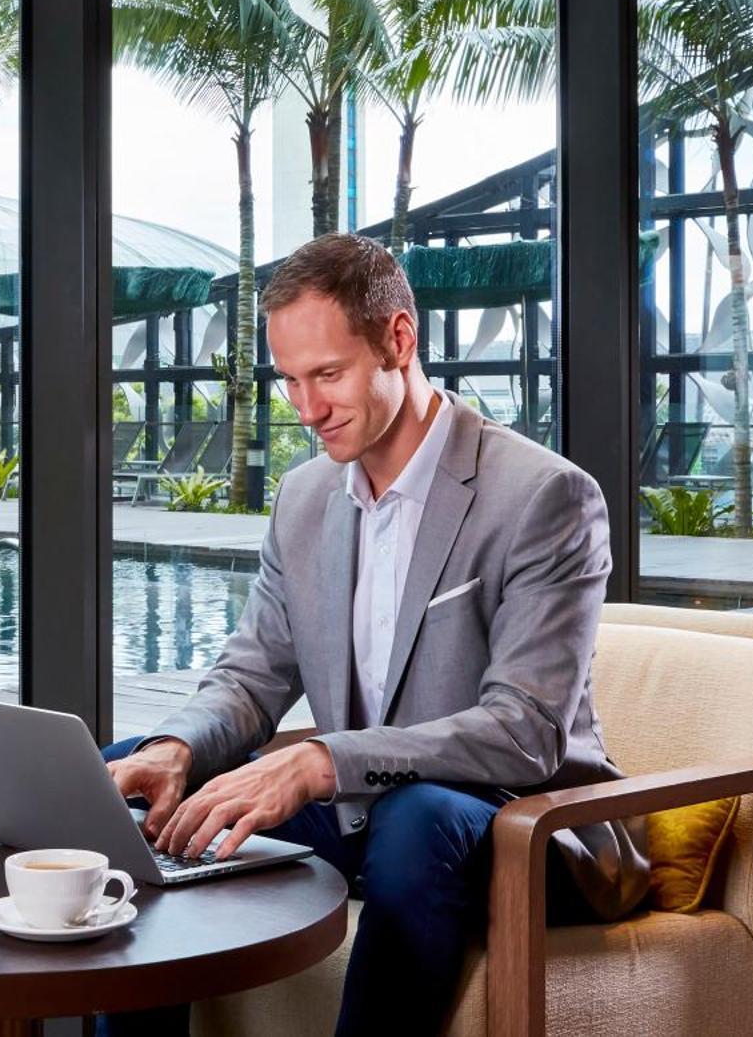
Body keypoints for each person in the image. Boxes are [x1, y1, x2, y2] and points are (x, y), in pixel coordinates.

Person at [99, 233, 646, 1037]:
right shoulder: (306, 496)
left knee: (417, 817)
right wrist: (178, 746)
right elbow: (252, 675)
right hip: (372, 814)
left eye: (327, 374)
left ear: (398, 339)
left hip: (533, 827)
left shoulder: (544, 497)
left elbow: (526, 732)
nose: (307, 408)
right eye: (289, 380)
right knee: (128, 778)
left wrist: (322, 761)